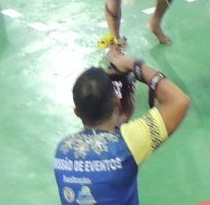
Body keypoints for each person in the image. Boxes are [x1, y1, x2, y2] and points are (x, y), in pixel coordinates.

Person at [53, 49, 192, 205]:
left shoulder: (62, 150)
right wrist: (133, 64)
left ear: (77, 112)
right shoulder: (128, 142)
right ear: (116, 102)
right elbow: (179, 100)